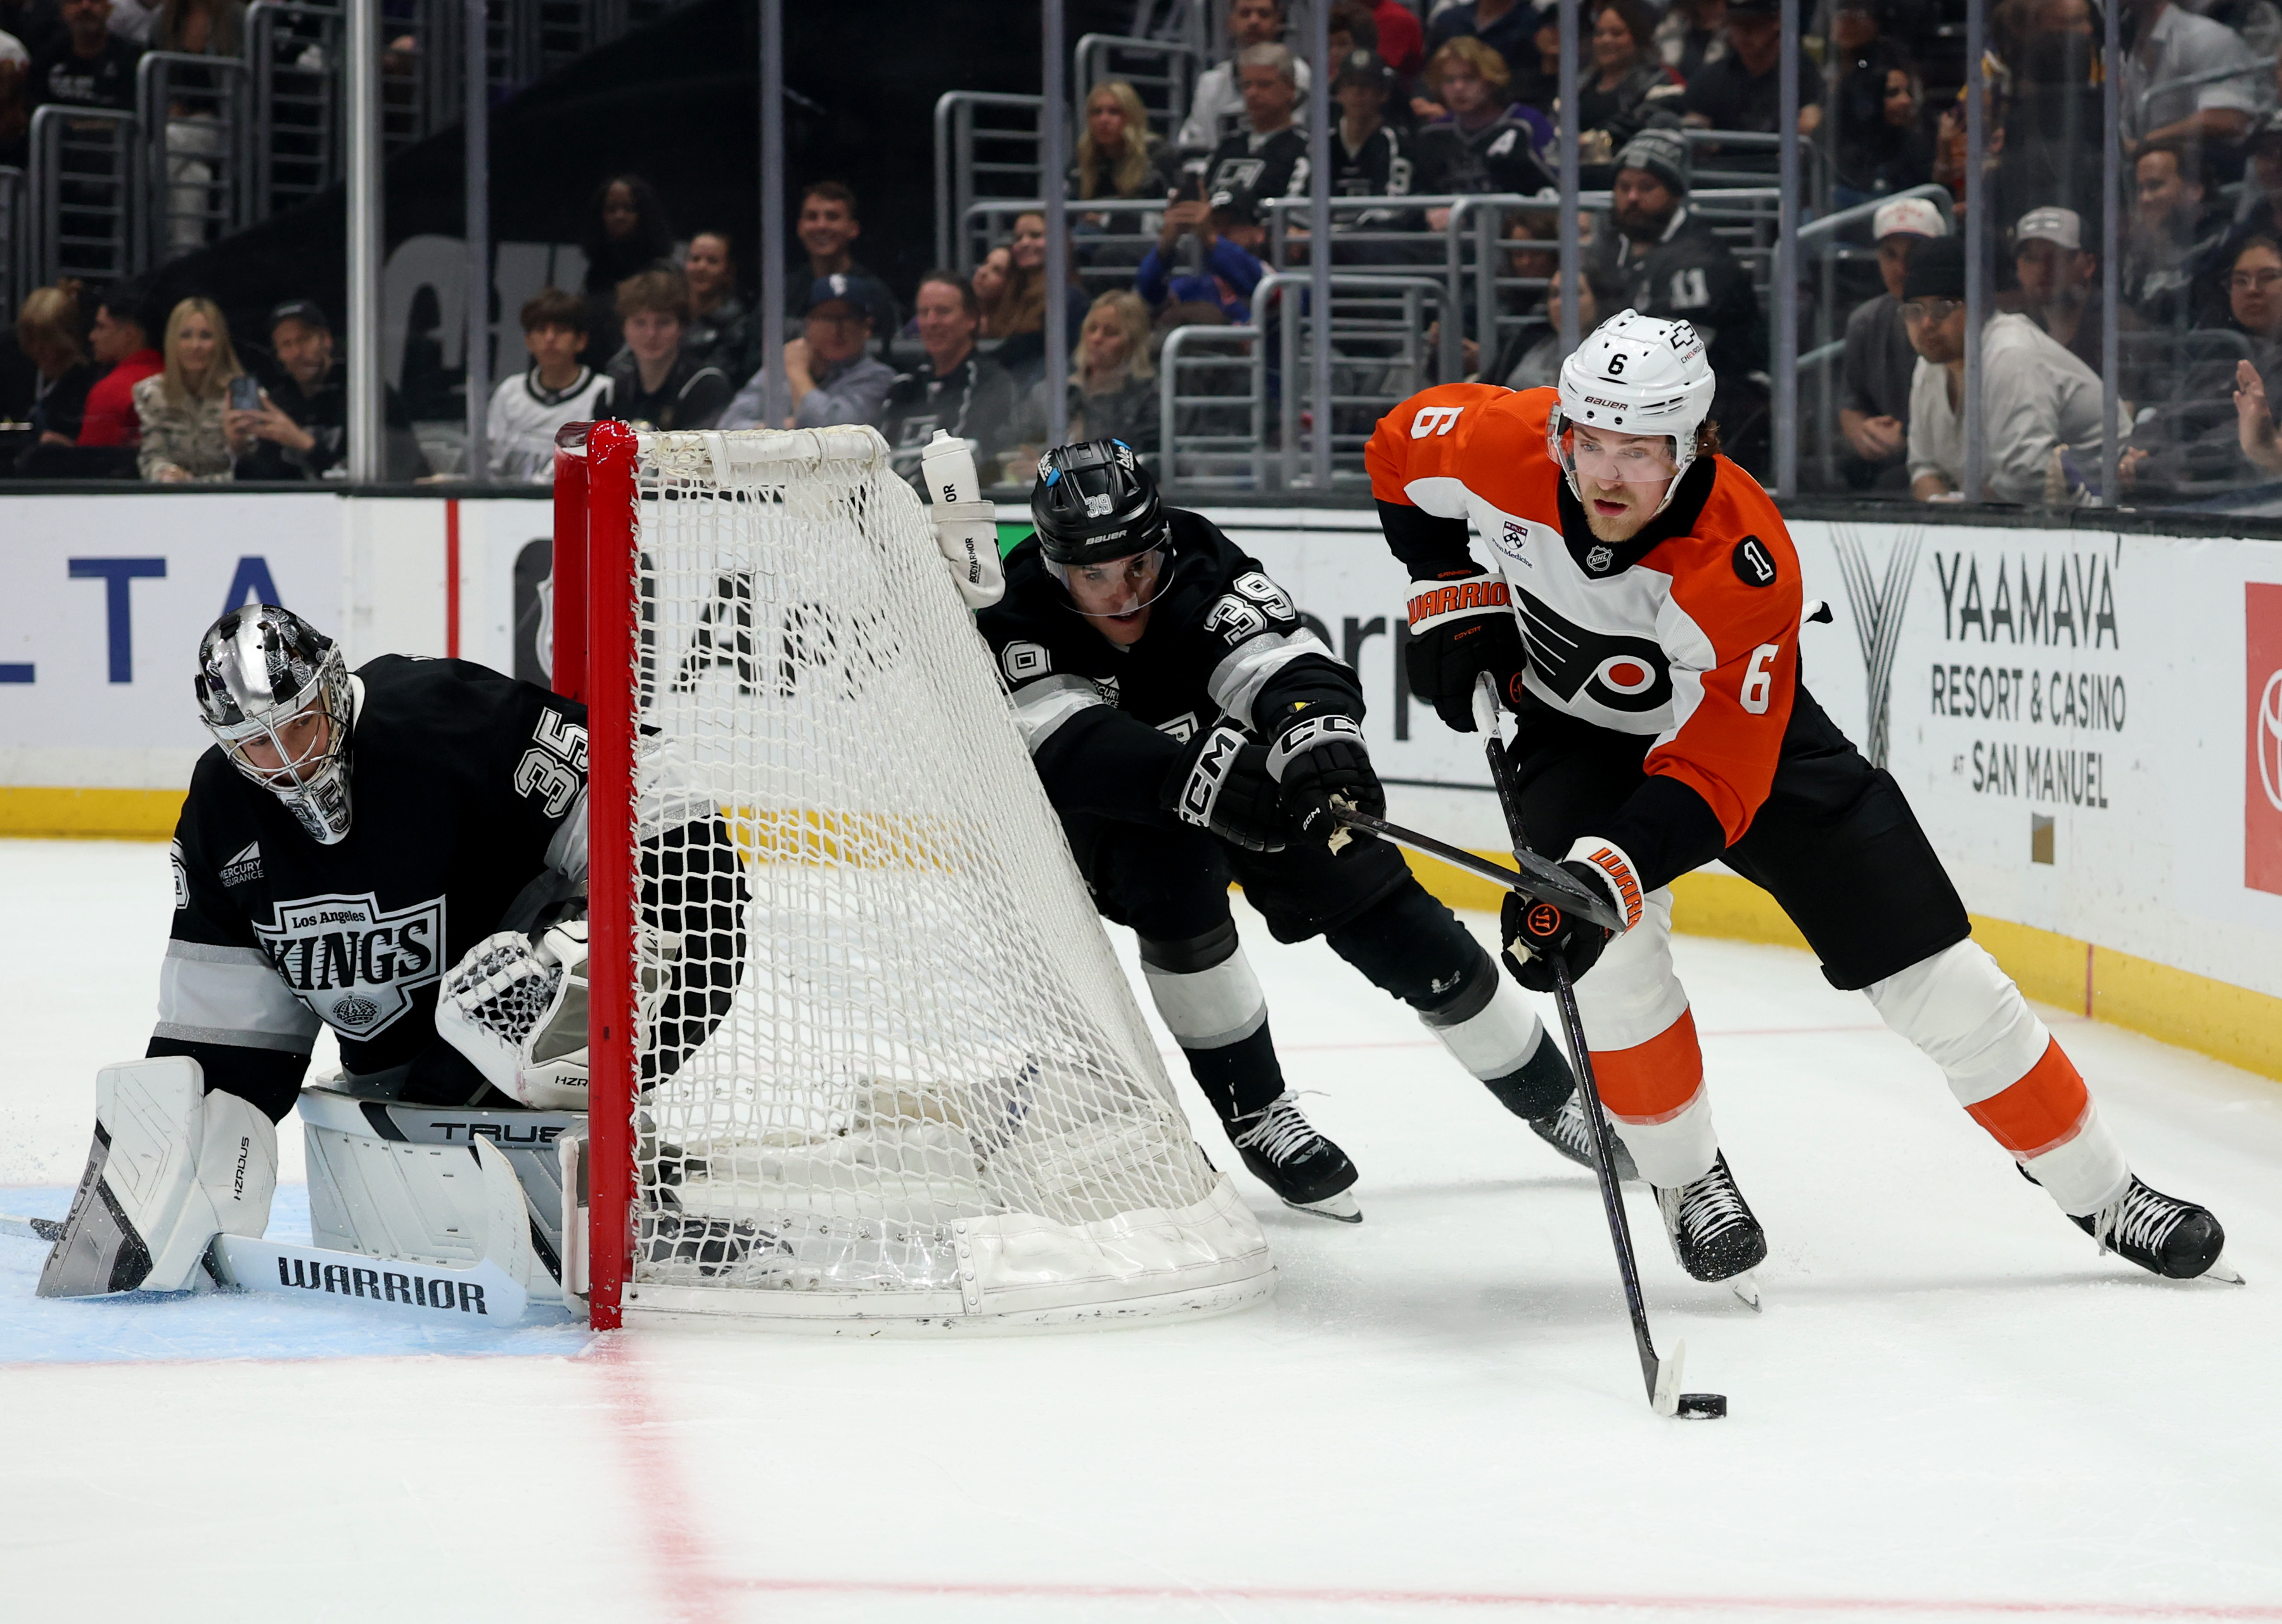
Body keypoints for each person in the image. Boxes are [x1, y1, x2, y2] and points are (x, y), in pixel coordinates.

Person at [1365, 310, 2234, 1286]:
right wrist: (1448, 587)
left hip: (1753, 749)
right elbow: (1398, 447)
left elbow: (1717, 777)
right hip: (1574, 738)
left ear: (1697, 444)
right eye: (1589, 442)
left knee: (1936, 976)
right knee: (1612, 968)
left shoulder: (1742, 558)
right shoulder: (1503, 441)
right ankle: (1687, 1179)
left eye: (1641, 451)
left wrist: (1604, 872)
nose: (1606, 475)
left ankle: (2104, 1190)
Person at [32, 603, 747, 1302]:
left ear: (335, 689)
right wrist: (155, 1188)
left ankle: (619, 1187)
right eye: (259, 742)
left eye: (303, 725)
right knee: (408, 1088)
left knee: (507, 1011)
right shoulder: (220, 813)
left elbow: (663, 813)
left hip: (552, 989)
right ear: (226, 741)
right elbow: (227, 1047)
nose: (289, 761)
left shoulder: (448, 718)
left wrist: (621, 945)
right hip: (417, 1078)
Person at [975, 439, 1580, 1221]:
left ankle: (1551, 1096)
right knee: (1174, 884)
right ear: (1058, 568)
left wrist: (1320, 741)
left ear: (1160, 542)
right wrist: (1200, 777)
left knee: (1375, 897)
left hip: (1240, 773)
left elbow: (1279, 662)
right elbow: (1066, 745)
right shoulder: (1015, 609)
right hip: (1122, 813)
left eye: (1137, 567)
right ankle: (1254, 1108)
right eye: (1095, 576)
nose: (1123, 596)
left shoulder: (1196, 557)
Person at [1594, 129, 1769, 470]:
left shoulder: (1702, 258)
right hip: (1635, 395)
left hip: (1717, 399)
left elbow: (1676, 360)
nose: (1631, 197)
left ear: (1675, 195)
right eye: (1623, 187)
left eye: (1646, 188)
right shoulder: (1609, 248)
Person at [1902, 236, 2119, 505]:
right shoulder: (1929, 363)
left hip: (2110, 513)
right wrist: (1940, 505)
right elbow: (1924, 468)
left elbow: (2026, 481)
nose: (1925, 323)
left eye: (1942, 308)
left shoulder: (2012, 354)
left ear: (1979, 307)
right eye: (1914, 310)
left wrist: (1955, 510)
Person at [1838, 195, 1947, 490]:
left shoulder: (1959, 321)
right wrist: (1863, 433)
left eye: (1913, 255)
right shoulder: (1866, 321)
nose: (1901, 268)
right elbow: (1851, 403)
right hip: (1892, 463)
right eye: (1890, 254)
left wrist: (1912, 440)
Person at [878, 269, 1019, 487]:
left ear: (972, 319)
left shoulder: (990, 383)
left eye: (943, 312)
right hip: (894, 510)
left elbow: (968, 457)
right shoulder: (903, 389)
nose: (931, 322)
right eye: (924, 313)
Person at [720, 274, 895, 432]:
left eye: (847, 319)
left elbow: (833, 434)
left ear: (867, 327)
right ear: (809, 324)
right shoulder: (781, 368)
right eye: (826, 318)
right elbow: (726, 427)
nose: (836, 330)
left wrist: (798, 373)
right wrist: (779, 430)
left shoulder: (878, 378)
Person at [1008, 290, 1160, 463]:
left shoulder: (1149, 399)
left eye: (1110, 332)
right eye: (1092, 329)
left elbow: (1134, 461)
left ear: (1133, 344)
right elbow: (1019, 441)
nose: (1096, 338)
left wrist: (1052, 470)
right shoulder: (1049, 393)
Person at [1411, 37, 1554, 218]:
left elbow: (1557, 184)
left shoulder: (1526, 125)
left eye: (1469, 79)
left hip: (1513, 236)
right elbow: (1417, 195)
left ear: (1491, 80)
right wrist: (1429, 214)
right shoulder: (1433, 134)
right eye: (1449, 80)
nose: (1458, 87)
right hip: (1447, 238)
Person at [486, 288, 612, 483]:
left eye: (561, 331)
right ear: (529, 341)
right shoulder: (510, 392)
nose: (550, 338)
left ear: (581, 341)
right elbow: (493, 464)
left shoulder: (605, 392)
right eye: (541, 330)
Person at [2120, 0, 2261, 157]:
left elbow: (2228, 118)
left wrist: (2145, 143)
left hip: (2210, 174)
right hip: (2156, 172)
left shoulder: (2204, 37)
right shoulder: (2134, 50)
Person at [134, 294, 250, 483]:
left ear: (220, 341)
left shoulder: (243, 393)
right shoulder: (150, 393)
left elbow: (254, 472)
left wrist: (192, 483)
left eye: (206, 336)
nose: (195, 346)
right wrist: (167, 474)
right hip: (172, 499)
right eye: (185, 336)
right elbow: (152, 458)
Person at [229, 298, 349, 481]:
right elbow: (262, 482)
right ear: (278, 355)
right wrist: (240, 450)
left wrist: (302, 442)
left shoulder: (363, 394)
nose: (297, 352)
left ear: (326, 340)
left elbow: (374, 478)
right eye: (286, 344)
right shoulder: (280, 403)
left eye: (305, 339)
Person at [601, 267, 731, 433]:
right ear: (624, 328)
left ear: (682, 327)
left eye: (663, 323)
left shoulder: (708, 388)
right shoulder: (611, 395)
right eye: (640, 323)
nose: (651, 334)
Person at [1681, 0, 1823, 141]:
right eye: (1737, 24)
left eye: (1754, 24)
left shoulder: (1802, 73)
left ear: (1776, 22)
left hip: (1780, 162)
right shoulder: (1713, 78)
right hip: (1726, 162)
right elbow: (1695, 123)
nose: (1744, 34)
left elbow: (1811, 123)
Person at [1179, 0, 1311, 151]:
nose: (1254, 21)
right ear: (1231, 22)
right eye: (1245, 14)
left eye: (1263, 14)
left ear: (1278, 21)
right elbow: (1195, 146)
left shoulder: (1300, 75)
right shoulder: (1211, 83)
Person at [2124, 144, 2227, 331]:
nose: (2145, 198)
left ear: (2194, 190)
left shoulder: (2225, 245)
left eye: (2155, 186)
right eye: (2141, 189)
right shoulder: (2140, 252)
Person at [985, 210, 1091, 390]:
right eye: (1018, 238)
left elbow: (1055, 362)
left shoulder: (1070, 300)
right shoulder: (1009, 295)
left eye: (1036, 236)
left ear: (1060, 241)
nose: (1024, 243)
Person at [1202, 42, 1314, 208]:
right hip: (1217, 234)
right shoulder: (1228, 147)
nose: (1252, 93)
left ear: (1290, 89)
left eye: (1264, 85)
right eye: (1246, 85)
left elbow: (1295, 218)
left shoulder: (1304, 149)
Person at [785, 182, 899, 345]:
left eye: (832, 217)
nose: (821, 225)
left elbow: (890, 358)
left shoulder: (875, 295)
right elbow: (754, 361)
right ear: (800, 228)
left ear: (853, 229)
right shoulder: (781, 295)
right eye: (812, 217)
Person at [2012, 206, 2117, 381]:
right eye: (2031, 258)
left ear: (2089, 265)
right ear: (2018, 268)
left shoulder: (2119, 330)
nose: (2043, 269)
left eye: (2058, 257)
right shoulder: (2011, 331)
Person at [1575, 0, 1683, 170]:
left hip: (1629, 170)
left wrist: (1592, 141)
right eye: (1600, 33)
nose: (1606, 40)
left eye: (1617, 33)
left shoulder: (1658, 81)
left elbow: (1641, 127)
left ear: (1636, 37)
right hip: (1576, 172)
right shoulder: (1580, 83)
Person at [579, 173, 674, 362]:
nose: (619, 216)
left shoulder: (661, 274)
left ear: (644, 215)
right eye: (611, 210)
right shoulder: (595, 273)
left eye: (628, 209)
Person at [1137, 185, 1269, 323]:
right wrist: (1166, 245)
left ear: (1259, 232)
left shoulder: (1270, 279)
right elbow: (1148, 295)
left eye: (1233, 223)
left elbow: (1256, 281)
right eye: (1214, 223)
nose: (1222, 231)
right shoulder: (1193, 286)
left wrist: (1211, 239)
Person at [1072, 79, 1179, 222]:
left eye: (1114, 112)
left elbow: (1173, 215)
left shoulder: (1159, 156)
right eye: (1097, 112)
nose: (1104, 120)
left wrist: (1106, 221)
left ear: (1132, 116)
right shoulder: (1082, 158)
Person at [15, 280, 94, 455]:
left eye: (46, 339)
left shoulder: (87, 384)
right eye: (30, 338)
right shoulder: (19, 373)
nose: (36, 348)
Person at [27, 0, 136, 112]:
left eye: (94, 1)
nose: (85, 7)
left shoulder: (131, 57)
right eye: (76, 1)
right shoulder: (46, 57)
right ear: (63, 10)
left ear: (109, 9)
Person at [681, 231, 752, 381]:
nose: (701, 267)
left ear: (728, 270)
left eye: (712, 261)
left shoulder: (738, 323)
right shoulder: (670, 312)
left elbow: (716, 378)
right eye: (695, 259)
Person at [1656, 0, 1729, 83]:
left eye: (1723, 3)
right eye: (1709, 3)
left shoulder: (1730, 40)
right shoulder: (1672, 29)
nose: (1719, 9)